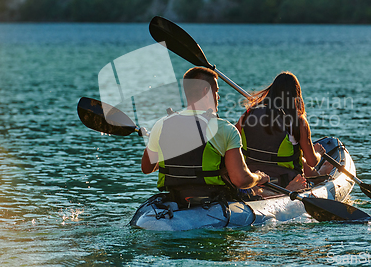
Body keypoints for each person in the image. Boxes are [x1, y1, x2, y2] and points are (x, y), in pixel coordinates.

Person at [141, 67, 269, 206]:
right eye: (216, 91)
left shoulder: (161, 125)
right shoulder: (224, 129)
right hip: (212, 201)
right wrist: (259, 177)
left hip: (175, 201)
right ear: (206, 92)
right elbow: (240, 180)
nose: (218, 97)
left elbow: (147, 168)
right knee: (255, 191)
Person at [235, 72, 333, 192]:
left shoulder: (248, 114)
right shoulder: (298, 121)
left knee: (297, 155)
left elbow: (233, 141)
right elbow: (312, 161)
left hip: (252, 178)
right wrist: (318, 153)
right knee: (299, 155)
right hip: (285, 182)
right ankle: (318, 175)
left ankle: (317, 174)